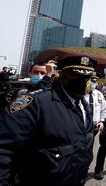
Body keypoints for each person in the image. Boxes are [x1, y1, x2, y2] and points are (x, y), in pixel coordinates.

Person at [0, 56, 97, 186]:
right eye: (76, 76)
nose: (84, 82)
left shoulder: (84, 105)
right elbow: (4, 151)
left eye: (87, 77)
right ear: (62, 76)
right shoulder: (35, 104)